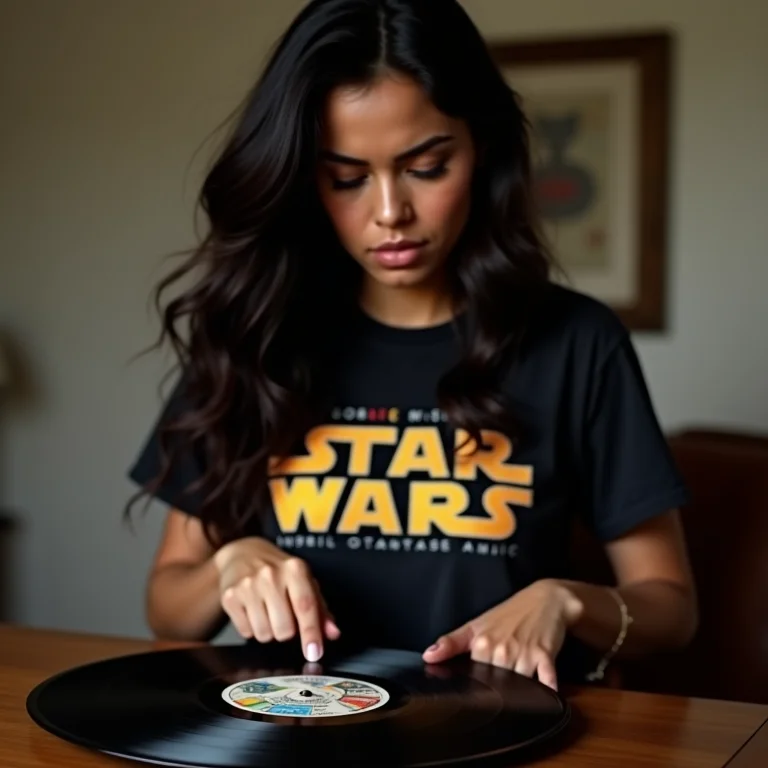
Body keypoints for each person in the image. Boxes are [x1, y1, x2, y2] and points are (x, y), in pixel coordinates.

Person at [126, 0, 697, 691]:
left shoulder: (576, 342)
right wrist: (229, 564)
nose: (390, 212)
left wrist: (567, 599)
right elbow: (167, 609)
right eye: (346, 178)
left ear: (481, 149)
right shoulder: (257, 337)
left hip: (499, 728)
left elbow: (671, 609)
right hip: (303, 725)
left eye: (427, 167)